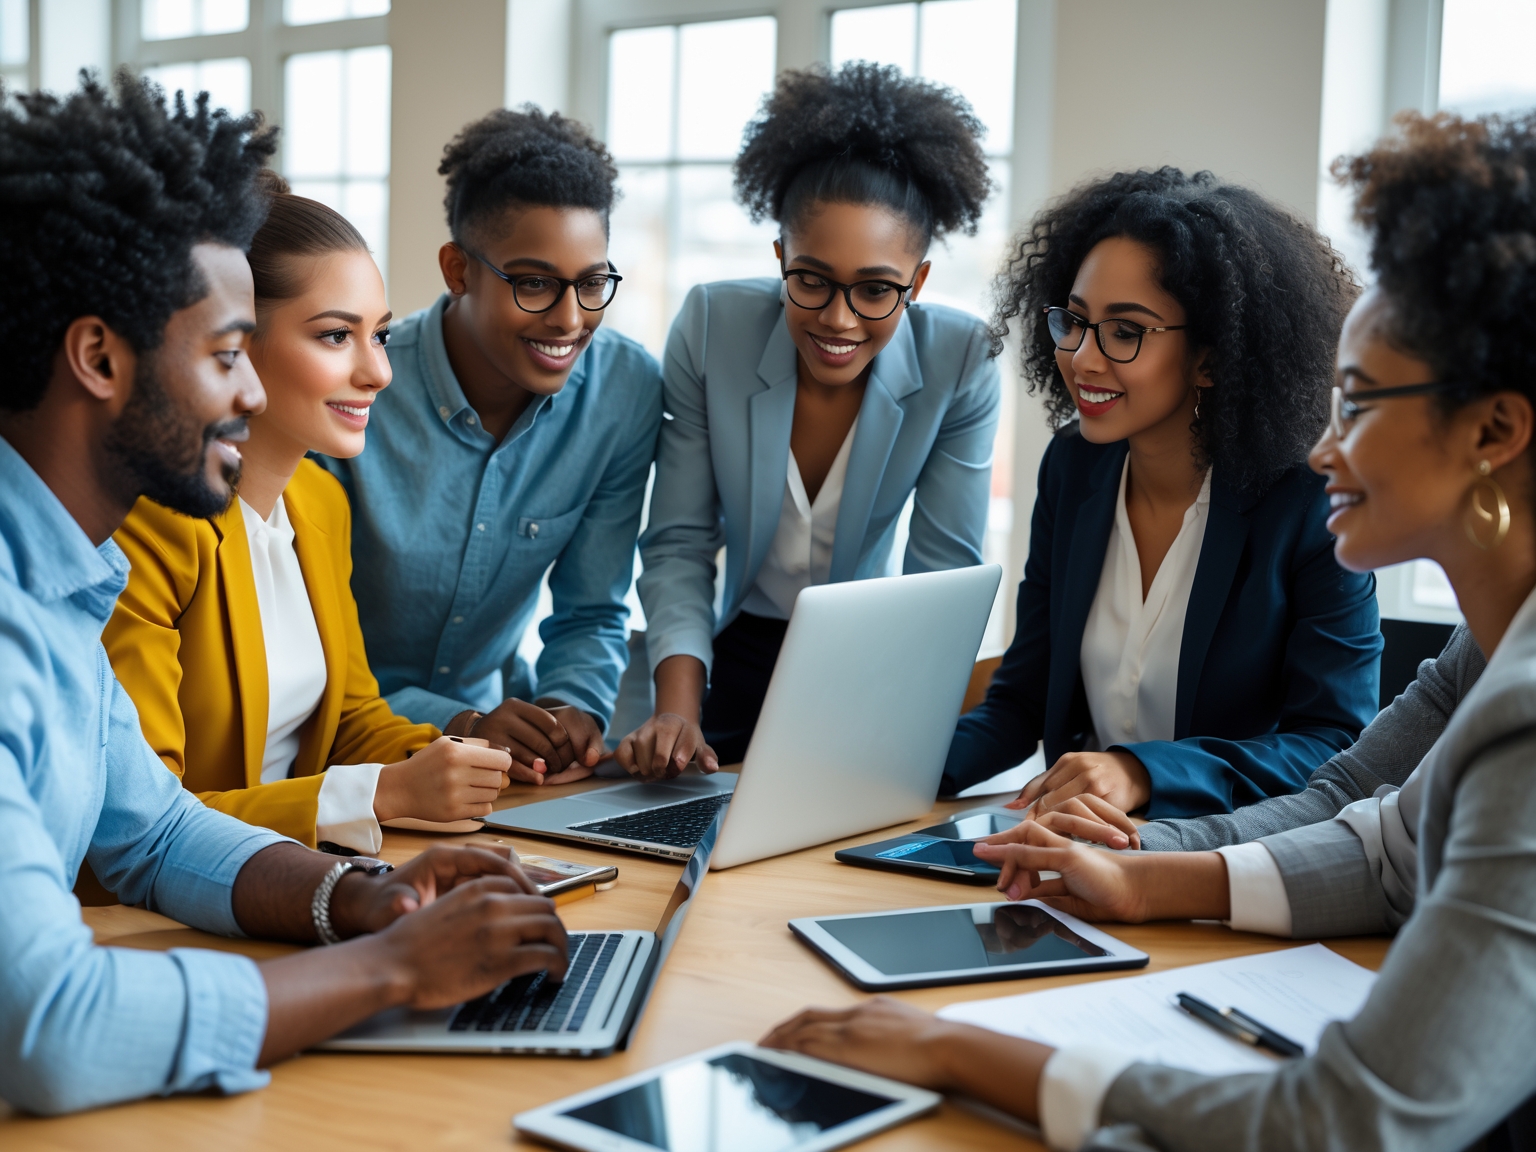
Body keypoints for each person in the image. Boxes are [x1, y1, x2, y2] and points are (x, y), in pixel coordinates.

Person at [765, 110, 1536, 1151]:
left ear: (1493, 430)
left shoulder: (1521, 716)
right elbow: (1372, 828)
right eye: (1072, 322)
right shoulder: (1487, 653)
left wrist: (959, 1048)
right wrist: (1139, 869)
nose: (1326, 445)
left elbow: (1350, 1122)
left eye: (1354, 402)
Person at [0, 74, 566, 1115]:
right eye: (225, 356)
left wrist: (366, 901)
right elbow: (51, 1030)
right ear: (98, 358)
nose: (254, 392)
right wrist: (393, 971)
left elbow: (158, 834)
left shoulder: (65, 582)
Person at [941, 168, 1382, 819]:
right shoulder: (1074, 467)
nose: (1083, 359)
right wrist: (883, 765)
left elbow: (1334, 743)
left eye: (1126, 332)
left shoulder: (1307, 501)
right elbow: (1023, 701)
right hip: (1067, 847)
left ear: (1211, 357)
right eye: (1075, 322)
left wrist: (1141, 773)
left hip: (1224, 864)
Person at [103, 177, 508, 852]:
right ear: (235, 341)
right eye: (333, 336)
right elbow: (140, 824)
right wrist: (385, 793)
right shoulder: (154, 525)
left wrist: (475, 749)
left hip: (309, 872)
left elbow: (351, 720)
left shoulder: (319, 502)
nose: (377, 372)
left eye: (378, 336)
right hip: (179, 906)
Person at [619, 62, 1001, 776]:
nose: (838, 318)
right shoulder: (711, 326)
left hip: (864, 661)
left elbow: (941, 576)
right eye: (812, 279)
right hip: (715, 651)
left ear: (917, 282)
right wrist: (676, 710)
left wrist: (899, 724)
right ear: (780, 257)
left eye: (877, 289)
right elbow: (678, 540)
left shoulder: (961, 361)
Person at [316, 107, 663, 787]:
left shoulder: (623, 391)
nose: (569, 319)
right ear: (457, 270)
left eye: (592, 283)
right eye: (533, 283)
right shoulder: (356, 389)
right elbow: (312, 651)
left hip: (499, 764)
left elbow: (591, 610)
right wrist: (459, 724)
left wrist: (570, 715)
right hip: (349, 756)